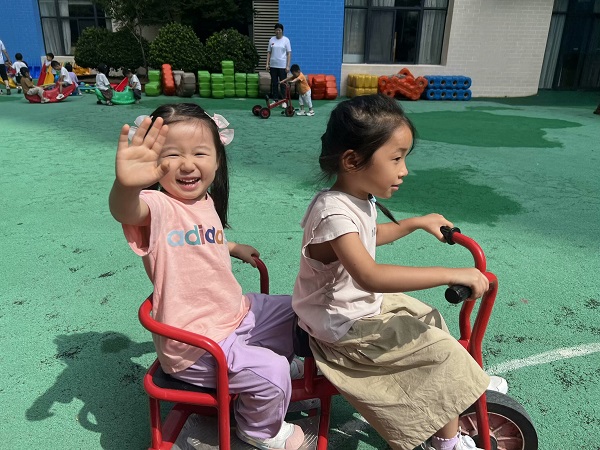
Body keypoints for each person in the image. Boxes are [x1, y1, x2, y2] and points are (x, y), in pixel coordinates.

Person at [292, 94, 494, 450]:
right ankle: (446, 443)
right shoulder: (332, 212)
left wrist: (415, 223)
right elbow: (370, 275)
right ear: (352, 160)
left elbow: (369, 236)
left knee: (430, 319)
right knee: (442, 353)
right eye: (396, 158)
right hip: (340, 327)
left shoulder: (356, 197)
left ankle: (458, 382)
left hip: (357, 309)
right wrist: (451, 274)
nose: (404, 170)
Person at [109, 103, 305, 450]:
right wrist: (125, 187)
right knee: (271, 371)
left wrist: (232, 246)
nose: (187, 164)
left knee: (299, 308)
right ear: (154, 162)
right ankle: (258, 429)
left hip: (234, 314)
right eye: (172, 154)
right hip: (196, 345)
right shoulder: (158, 206)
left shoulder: (205, 200)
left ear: (217, 160)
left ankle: (268, 376)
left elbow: (197, 239)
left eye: (200, 153)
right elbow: (127, 210)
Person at [266, 23, 291, 108]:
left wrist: (288, 66)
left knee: (283, 83)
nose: (277, 32)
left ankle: (284, 100)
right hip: (273, 65)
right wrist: (267, 63)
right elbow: (269, 52)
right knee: (274, 83)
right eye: (276, 30)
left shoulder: (286, 40)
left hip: (282, 66)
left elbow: (289, 53)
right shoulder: (271, 40)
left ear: (282, 31)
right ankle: (275, 99)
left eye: (279, 30)